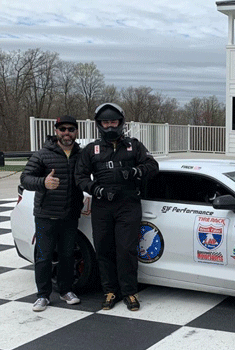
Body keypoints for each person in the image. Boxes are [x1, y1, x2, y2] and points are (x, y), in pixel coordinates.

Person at [76, 103, 158, 311]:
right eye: (106, 122)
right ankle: (110, 291)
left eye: (114, 122)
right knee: (104, 248)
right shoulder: (91, 149)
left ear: (121, 123)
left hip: (128, 203)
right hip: (103, 204)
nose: (110, 126)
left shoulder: (133, 145)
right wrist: (96, 190)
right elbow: (80, 176)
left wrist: (135, 172)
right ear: (99, 124)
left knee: (126, 250)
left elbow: (152, 166)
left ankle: (129, 292)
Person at [20, 115, 88, 312]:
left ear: (76, 132)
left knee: (67, 255)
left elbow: (86, 178)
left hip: (70, 215)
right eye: (63, 129)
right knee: (44, 256)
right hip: (46, 215)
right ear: (56, 131)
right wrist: (43, 183)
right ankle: (42, 296)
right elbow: (25, 179)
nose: (67, 133)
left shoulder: (80, 155)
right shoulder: (43, 154)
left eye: (71, 129)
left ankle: (66, 290)